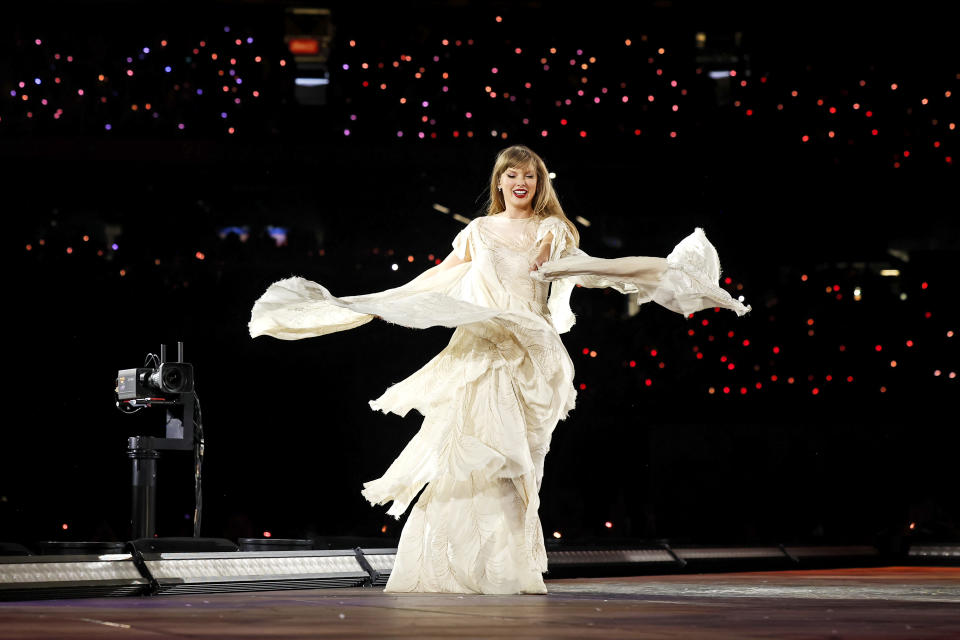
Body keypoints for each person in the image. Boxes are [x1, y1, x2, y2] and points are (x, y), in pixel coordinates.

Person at [249, 145, 751, 595]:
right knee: (471, 458)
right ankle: (455, 569)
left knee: (519, 468)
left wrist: (666, 271)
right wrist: (383, 302)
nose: (520, 182)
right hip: (483, 350)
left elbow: (595, 266)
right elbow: (441, 274)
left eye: (529, 175)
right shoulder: (478, 231)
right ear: (499, 181)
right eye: (511, 173)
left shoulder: (554, 230)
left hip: (531, 356)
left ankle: (508, 572)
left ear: (539, 183)